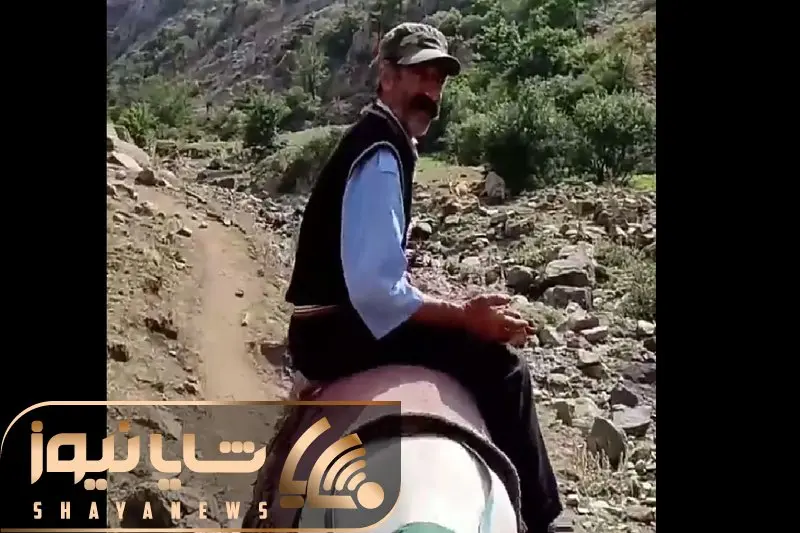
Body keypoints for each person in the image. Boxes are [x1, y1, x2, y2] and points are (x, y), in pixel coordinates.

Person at [283, 22, 564, 533]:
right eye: (419, 76)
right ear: (387, 76)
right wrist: (464, 317)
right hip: (337, 333)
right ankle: (544, 521)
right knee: (504, 370)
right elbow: (376, 291)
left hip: (332, 325)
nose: (430, 92)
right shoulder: (381, 156)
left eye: (438, 80)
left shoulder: (379, 141)